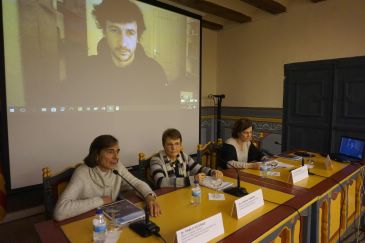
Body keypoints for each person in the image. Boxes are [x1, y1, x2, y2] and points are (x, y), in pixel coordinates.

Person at [68, 0, 168, 105]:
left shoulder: (154, 72)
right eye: (114, 30)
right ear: (104, 33)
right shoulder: (85, 70)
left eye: (130, 32)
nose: (123, 43)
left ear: (138, 37)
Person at [54, 135, 161, 221]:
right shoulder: (82, 173)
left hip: (110, 220)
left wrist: (149, 196)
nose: (116, 157)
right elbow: (60, 212)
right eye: (110, 152)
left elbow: (136, 183)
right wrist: (100, 201)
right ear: (96, 155)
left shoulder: (117, 167)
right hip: (86, 221)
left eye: (117, 151)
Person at [150, 128, 223, 188]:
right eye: (170, 144)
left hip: (183, 193)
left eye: (177, 143)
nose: (174, 148)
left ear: (181, 144)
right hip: (166, 196)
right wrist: (190, 180)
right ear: (163, 145)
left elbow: (198, 169)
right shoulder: (156, 160)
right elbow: (160, 182)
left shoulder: (183, 156)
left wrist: (213, 172)